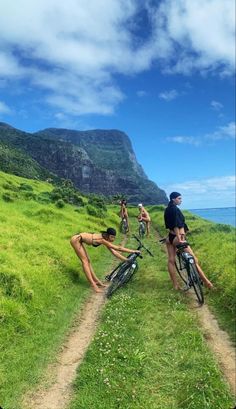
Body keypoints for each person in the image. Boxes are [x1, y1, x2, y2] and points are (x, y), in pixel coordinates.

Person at [164, 192, 213, 290]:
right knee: (194, 260)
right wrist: (179, 238)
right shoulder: (175, 209)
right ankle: (208, 284)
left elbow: (170, 225)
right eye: (179, 198)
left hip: (169, 237)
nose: (181, 200)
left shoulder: (167, 209)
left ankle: (175, 285)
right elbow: (176, 225)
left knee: (171, 260)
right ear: (173, 199)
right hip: (178, 238)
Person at [70, 227, 140, 293]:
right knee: (85, 262)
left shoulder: (105, 239)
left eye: (114, 237)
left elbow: (114, 252)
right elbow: (118, 248)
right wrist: (133, 251)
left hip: (79, 240)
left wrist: (126, 260)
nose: (113, 239)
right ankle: (93, 286)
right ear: (107, 235)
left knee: (88, 261)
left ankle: (97, 282)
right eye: (112, 237)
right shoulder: (102, 240)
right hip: (76, 240)